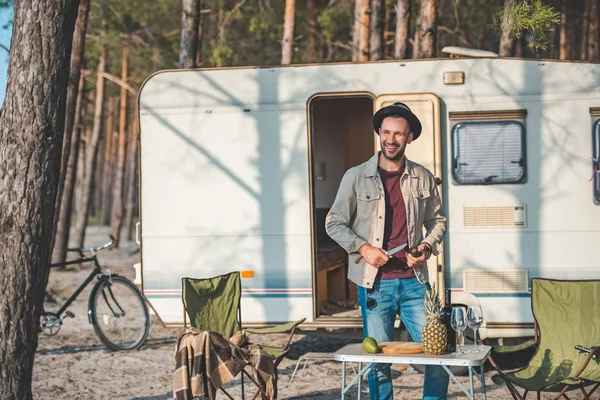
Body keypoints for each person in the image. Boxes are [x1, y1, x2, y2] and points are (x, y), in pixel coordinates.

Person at [325, 102, 449, 400]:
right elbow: (334, 223)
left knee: (438, 357)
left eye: (399, 134)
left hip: (415, 283)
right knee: (378, 362)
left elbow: (438, 221)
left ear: (410, 138)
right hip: (374, 285)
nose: (391, 139)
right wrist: (363, 248)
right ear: (379, 133)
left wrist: (426, 246)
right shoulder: (355, 176)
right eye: (386, 132)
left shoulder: (423, 176)